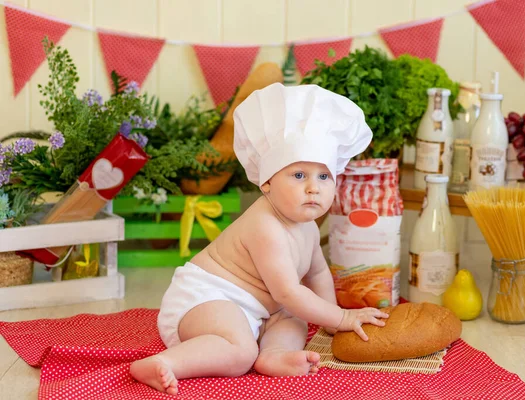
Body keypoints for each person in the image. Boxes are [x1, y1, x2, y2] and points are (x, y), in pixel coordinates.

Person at [130, 83, 389, 395]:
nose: (313, 187)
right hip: (208, 298)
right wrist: (344, 316)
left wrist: (331, 320)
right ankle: (165, 363)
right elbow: (289, 291)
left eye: (323, 176)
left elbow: (317, 273)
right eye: (298, 175)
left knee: (294, 320)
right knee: (240, 352)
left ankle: (274, 355)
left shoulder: (305, 224)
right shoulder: (265, 225)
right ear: (266, 183)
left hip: (259, 308)